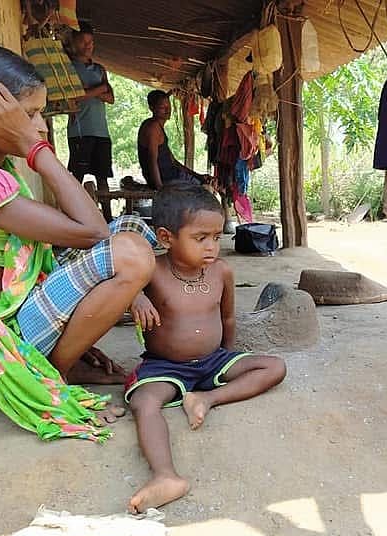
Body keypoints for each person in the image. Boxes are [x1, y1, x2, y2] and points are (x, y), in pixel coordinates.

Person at [0, 44, 156, 439]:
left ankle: (64, 356)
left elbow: (76, 230)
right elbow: (92, 230)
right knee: (131, 254)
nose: (40, 126)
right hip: (2, 350)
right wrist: (33, 149)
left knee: (131, 226)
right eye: (28, 115)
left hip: (11, 324)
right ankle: (52, 373)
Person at [123, 183, 286, 513]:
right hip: (164, 365)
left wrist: (227, 357)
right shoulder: (152, 271)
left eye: (217, 237)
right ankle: (165, 476)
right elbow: (119, 284)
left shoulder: (221, 272)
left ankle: (206, 398)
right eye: (201, 238)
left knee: (275, 367)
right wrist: (135, 297)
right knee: (144, 401)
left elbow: (227, 317)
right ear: (167, 237)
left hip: (213, 361)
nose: (212, 247)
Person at [66, 29, 117, 220]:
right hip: (80, 131)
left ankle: (108, 219)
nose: (88, 46)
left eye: (91, 42)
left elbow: (111, 98)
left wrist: (89, 92)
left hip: (101, 132)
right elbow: (73, 97)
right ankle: (72, 217)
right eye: (83, 42)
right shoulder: (68, 68)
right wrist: (100, 89)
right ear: (73, 44)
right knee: (76, 177)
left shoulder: (100, 69)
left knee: (102, 177)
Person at [137, 90, 211, 189]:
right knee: (204, 190)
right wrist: (159, 188)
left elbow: (173, 161)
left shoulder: (157, 127)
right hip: (166, 179)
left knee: (205, 183)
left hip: (171, 176)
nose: (168, 110)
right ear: (152, 108)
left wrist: (197, 176)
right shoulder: (153, 127)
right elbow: (151, 160)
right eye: (162, 107)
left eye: (169, 106)